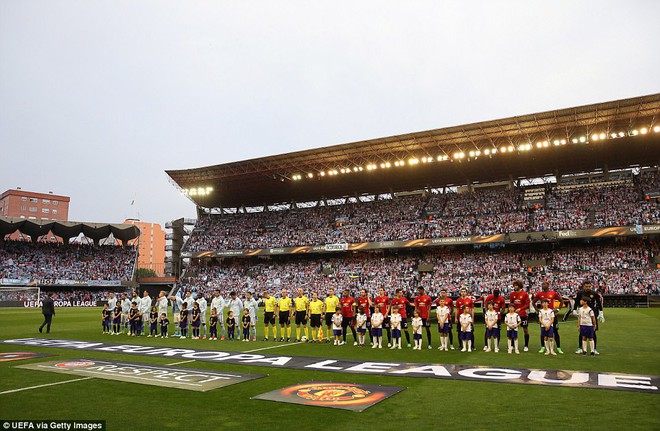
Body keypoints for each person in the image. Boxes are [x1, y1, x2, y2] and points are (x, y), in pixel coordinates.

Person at [533, 281, 564, 354]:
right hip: (543, 316)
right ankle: (543, 347)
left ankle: (558, 347)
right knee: (543, 333)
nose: (543, 285)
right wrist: (538, 310)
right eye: (542, 284)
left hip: (552, 316)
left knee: (555, 331)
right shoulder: (539, 294)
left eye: (544, 284)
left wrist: (558, 309)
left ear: (548, 285)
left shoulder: (553, 293)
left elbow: (561, 300)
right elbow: (533, 302)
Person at [573, 280, 603, 355]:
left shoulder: (594, 293)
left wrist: (601, 312)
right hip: (583, 313)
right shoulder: (580, 293)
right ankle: (580, 348)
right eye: (586, 286)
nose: (588, 288)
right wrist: (574, 309)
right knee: (581, 331)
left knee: (594, 331)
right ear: (583, 286)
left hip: (592, 313)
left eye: (589, 286)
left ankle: (594, 349)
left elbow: (598, 303)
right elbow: (576, 302)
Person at [509, 279, 531, 351]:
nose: (515, 287)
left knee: (525, 330)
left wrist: (521, 309)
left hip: (522, 314)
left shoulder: (524, 294)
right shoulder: (512, 294)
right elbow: (511, 304)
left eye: (516, 285)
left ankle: (526, 346)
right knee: (512, 328)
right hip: (514, 315)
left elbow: (527, 305)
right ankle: (512, 344)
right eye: (514, 285)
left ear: (520, 286)